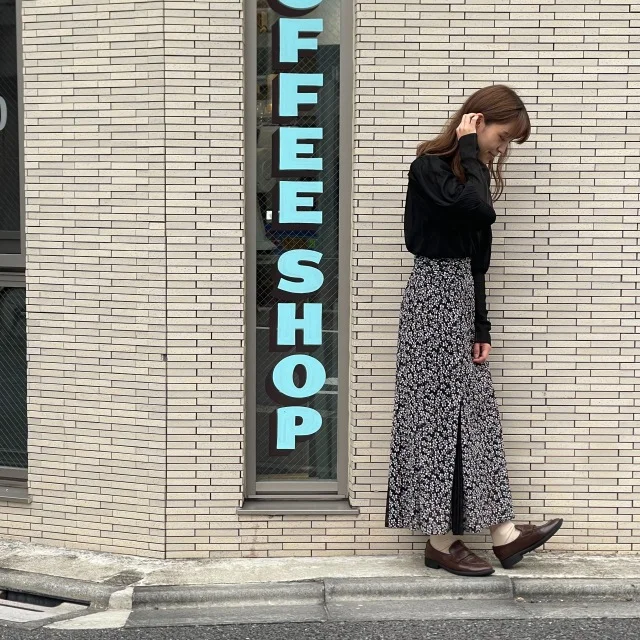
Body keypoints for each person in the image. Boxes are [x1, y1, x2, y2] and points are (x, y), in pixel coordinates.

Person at [385, 84, 563, 577]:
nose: (501, 148)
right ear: (478, 121)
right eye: (501, 137)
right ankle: (442, 541)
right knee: (437, 418)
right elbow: (472, 209)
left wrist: (480, 324)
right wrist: (468, 150)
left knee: (475, 418)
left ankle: (503, 536)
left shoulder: (475, 173)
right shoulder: (429, 166)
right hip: (431, 295)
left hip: (461, 297)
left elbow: (478, 260)